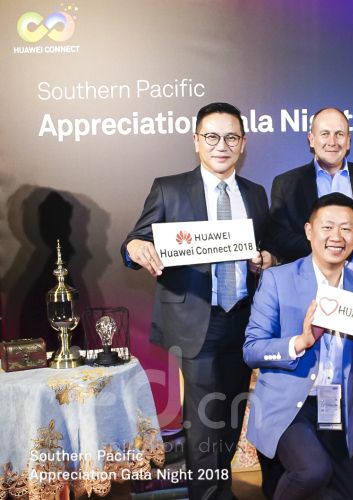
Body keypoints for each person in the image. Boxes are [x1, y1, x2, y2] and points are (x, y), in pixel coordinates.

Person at [121, 102, 275, 500]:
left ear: (243, 144)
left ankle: (218, 487)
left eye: (231, 137)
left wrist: (266, 259)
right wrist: (135, 248)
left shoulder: (255, 194)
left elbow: (268, 249)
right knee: (205, 421)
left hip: (245, 320)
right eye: (212, 136)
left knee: (231, 417)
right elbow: (135, 241)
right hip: (196, 320)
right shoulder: (169, 189)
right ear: (196, 141)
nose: (221, 145)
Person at [244, 192, 353, 500]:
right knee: (312, 471)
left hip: (335, 407)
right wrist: (300, 342)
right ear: (309, 231)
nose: (336, 237)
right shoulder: (278, 279)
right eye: (327, 227)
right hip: (287, 407)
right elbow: (252, 350)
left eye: (346, 228)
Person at [266, 107, 353, 499]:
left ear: (349, 139)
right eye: (324, 134)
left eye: (340, 134)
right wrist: (330, 246)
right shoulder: (287, 183)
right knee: (310, 385)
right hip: (309, 302)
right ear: (310, 138)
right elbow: (280, 238)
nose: (332, 141)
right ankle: (305, 471)